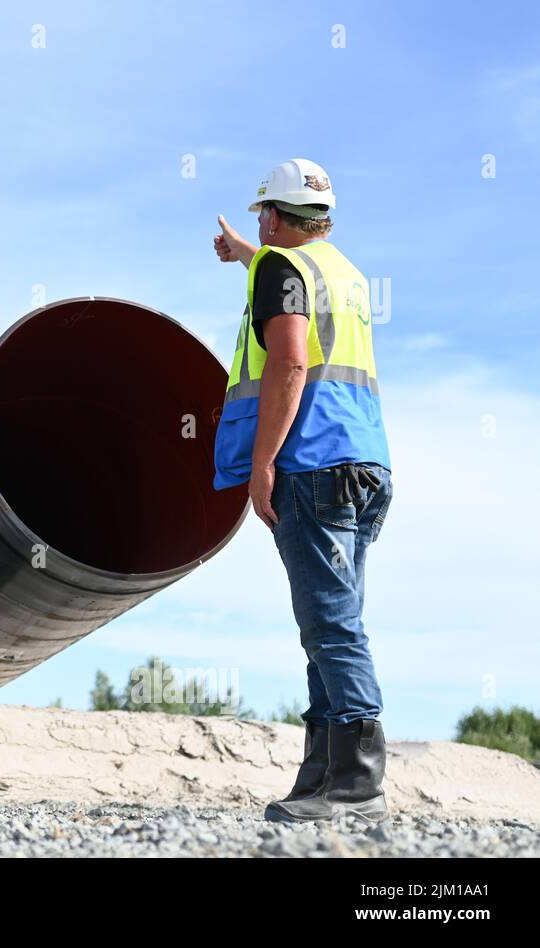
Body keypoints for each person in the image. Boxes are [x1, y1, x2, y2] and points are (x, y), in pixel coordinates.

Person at [211, 158, 394, 824]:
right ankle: (323, 778)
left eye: (262, 211)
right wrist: (243, 255)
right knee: (328, 624)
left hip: (312, 464)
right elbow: (294, 285)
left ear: (280, 216)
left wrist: (262, 464)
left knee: (331, 626)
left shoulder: (278, 271)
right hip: (365, 464)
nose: (257, 219)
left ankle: (359, 783)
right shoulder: (340, 273)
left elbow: (290, 359)